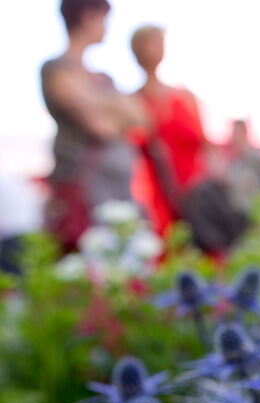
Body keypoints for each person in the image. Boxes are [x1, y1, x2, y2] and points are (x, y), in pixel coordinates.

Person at [40, 0, 145, 251]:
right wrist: (115, 108)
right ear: (87, 16)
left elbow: (142, 117)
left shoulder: (103, 77)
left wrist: (94, 101)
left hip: (118, 190)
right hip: (83, 192)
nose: (106, 27)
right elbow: (100, 127)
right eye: (103, 18)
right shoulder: (56, 69)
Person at [130, 25, 208, 238]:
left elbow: (204, 144)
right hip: (157, 197)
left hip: (194, 193)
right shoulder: (133, 102)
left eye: (159, 42)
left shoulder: (184, 97)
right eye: (151, 42)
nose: (157, 48)